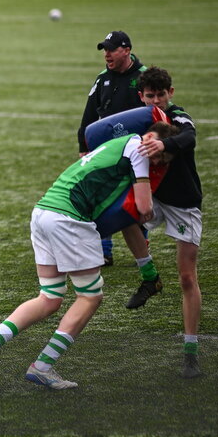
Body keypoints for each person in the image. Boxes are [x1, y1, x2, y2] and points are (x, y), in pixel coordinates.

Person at [0, 122, 176, 392]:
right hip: (70, 219)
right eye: (158, 154)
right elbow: (144, 207)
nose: (157, 160)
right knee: (90, 296)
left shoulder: (116, 145)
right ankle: (42, 366)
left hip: (44, 211)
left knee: (50, 297)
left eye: (162, 158)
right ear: (149, 137)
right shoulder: (137, 148)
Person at [122, 67, 203, 378]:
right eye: (150, 95)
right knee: (123, 214)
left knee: (186, 277)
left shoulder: (178, 116)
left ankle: (190, 353)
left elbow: (190, 137)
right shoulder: (139, 118)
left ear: (171, 93)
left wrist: (164, 145)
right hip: (153, 196)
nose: (156, 99)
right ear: (142, 96)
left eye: (161, 94)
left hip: (183, 202)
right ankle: (150, 275)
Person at [77, 31, 147, 266]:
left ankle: (142, 247)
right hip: (105, 149)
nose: (106, 54)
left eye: (111, 49)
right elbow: (89, 113)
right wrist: (83, 145)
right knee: (99, 196)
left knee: (136, 199)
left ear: (126, 50)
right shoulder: (102, 79)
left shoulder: (143, 77)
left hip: (135, 150)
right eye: (104, 49)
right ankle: (104, 250)